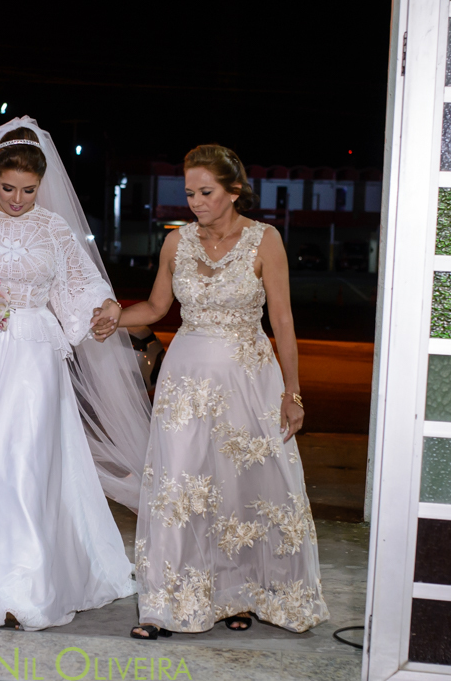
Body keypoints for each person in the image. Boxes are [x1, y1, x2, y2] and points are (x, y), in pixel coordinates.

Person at [0, 118, 152, 631]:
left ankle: (23, 581)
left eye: (28, 190)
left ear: (41, 185)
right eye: (8, 188)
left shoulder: (53, 228)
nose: (18, 199)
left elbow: (79, 282)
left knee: (23, 456)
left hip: (36, 353)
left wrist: (104, 306)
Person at [97, 144, 329, 639]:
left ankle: (238, 595)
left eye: (206, 192)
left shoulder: (264, 241)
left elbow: (283, 321)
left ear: (234, 191)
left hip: (247, 378)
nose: (196, 202)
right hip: (184, 380)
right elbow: (157, 307)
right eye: (189, 193)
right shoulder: (177, 243)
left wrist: (294, 393)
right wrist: (116, 315)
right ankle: (163, 605)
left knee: (241, 489)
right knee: (179, 486)